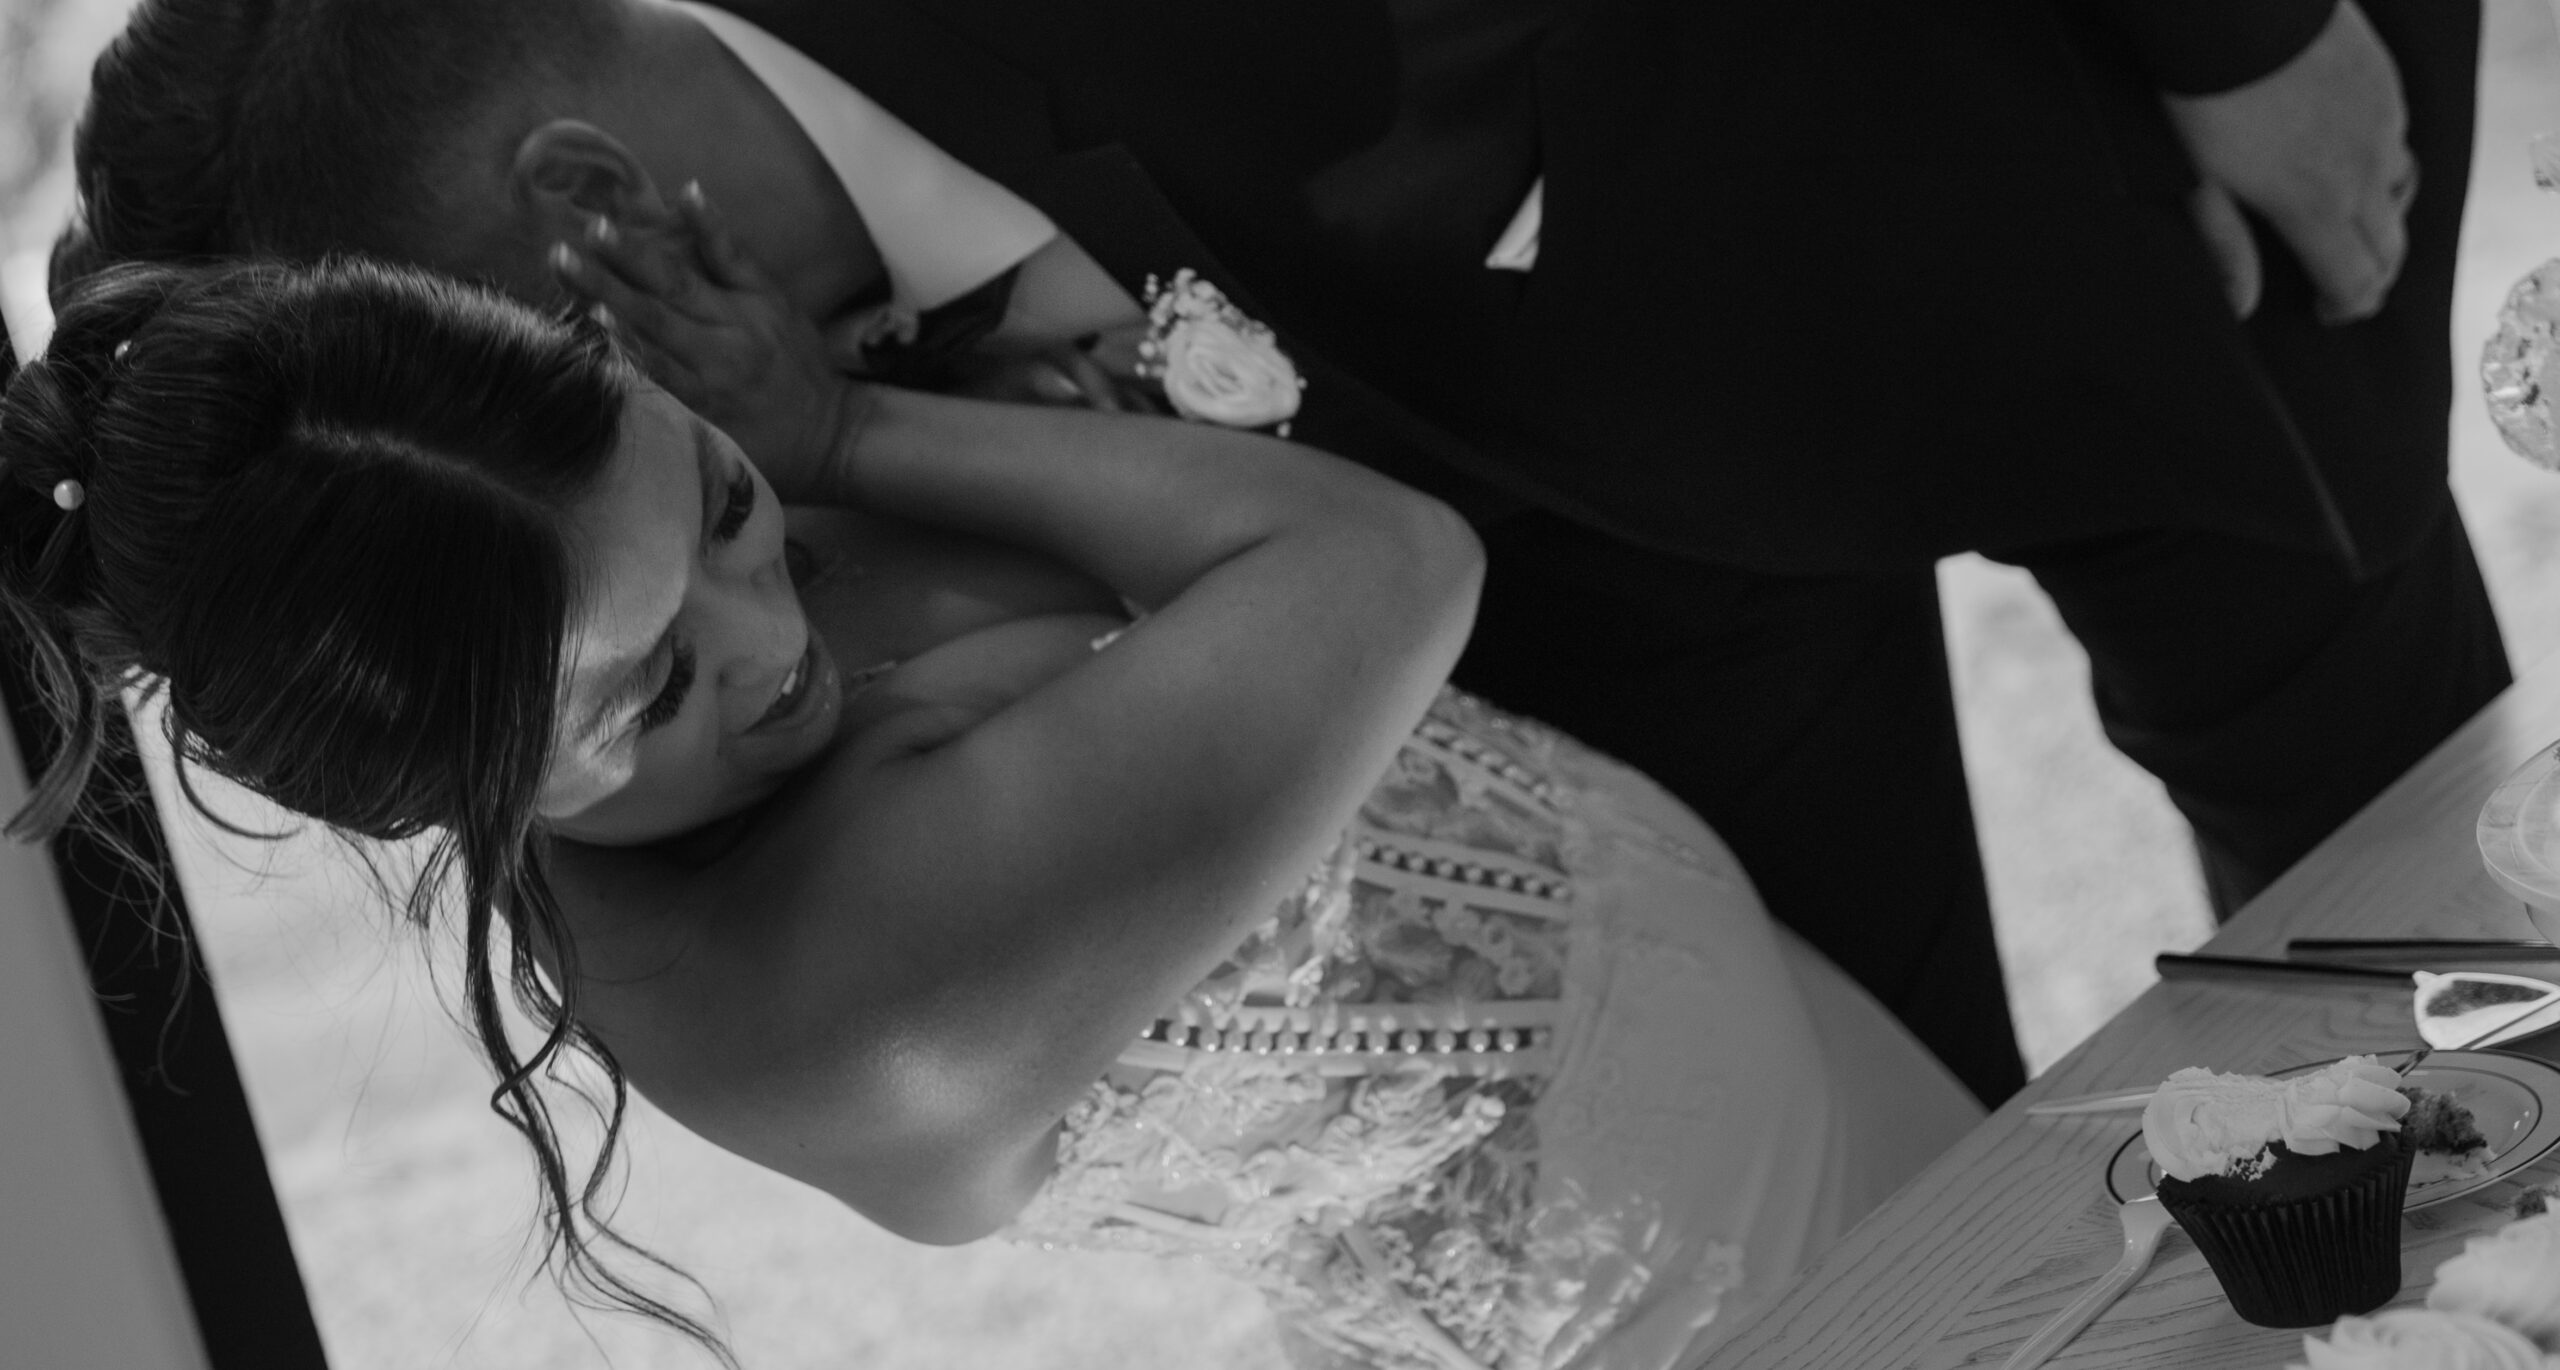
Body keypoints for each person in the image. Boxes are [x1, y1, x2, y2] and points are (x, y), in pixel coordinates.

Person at [53, 0, 2513, 1107]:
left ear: (583, 202)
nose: (523, 479)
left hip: (2094, 176)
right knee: (1932, 1180)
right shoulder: (727, 533)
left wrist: (2245, 32)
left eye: (485, 375)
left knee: (2446, 1003)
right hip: (1663, 635)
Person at [0, 254, 1978, 1369]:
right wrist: (840, 433)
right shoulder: (855, 1008)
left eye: (713, 499)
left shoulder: (556, 574)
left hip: (1811, 1083)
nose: (768, 632)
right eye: (652, 688)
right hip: (1727, 1318)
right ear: (444, 792)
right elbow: (1380, 568)